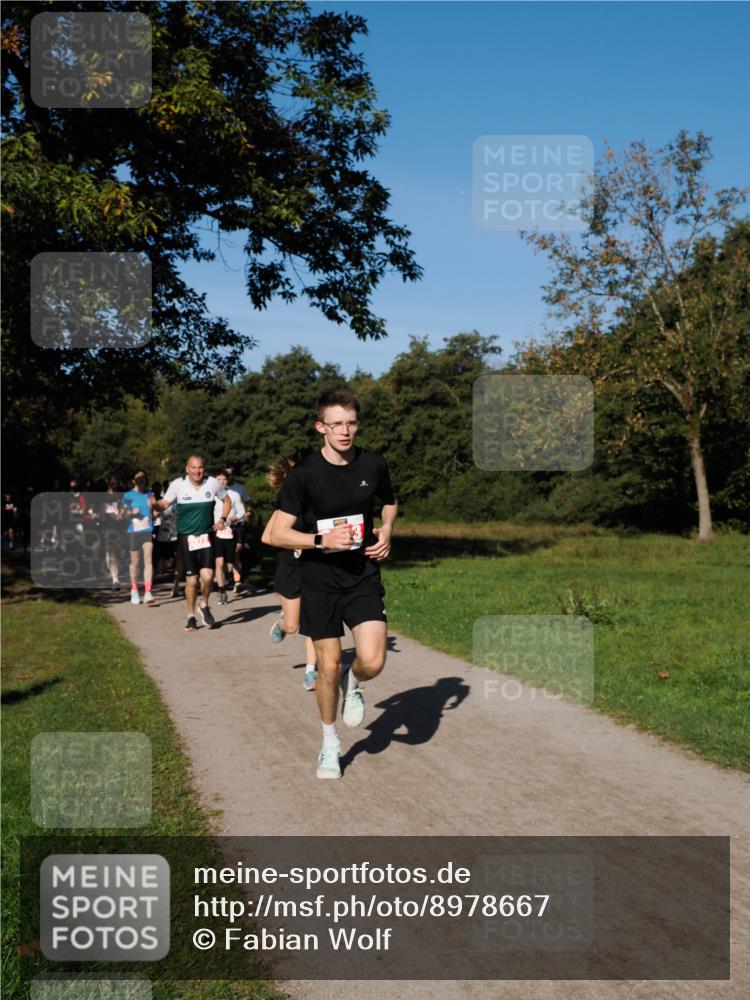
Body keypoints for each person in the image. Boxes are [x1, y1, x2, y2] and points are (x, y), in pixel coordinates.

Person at [271, 389, 397, 779]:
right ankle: (329, 743)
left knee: (373, 660)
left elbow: (388, 502)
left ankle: (354, 680)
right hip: (319, 581)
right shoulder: (303, 474)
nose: (345, 431)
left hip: (361, 575)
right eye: (336, 424)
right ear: (321, 427)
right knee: (326, 666)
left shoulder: (373, 465)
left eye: (351, 423)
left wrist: (388, 530)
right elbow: (275, 533)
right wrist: (320, 541)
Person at [152, 455, 230, 631]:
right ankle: (191, 616)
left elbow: (227, 500)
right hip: (187, 538)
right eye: (193, 468)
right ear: (187, 469)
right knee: (192, 581)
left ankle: (204, 604)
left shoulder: (212, 483)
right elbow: (163, 504)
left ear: (204, 468)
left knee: (208, 577)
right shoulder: (178, 484)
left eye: (200, 467)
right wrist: (154, 505)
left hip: (206, 536)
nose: (197, 471)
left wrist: (223, 519)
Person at [261, 458, 319, 692]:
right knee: (294, 626)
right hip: (290, 566)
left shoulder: (318, 501)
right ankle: (283, 624)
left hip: (315, 565)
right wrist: (294, 543)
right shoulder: (284, 507)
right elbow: (267, 537)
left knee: (314, 621)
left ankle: (310, 671)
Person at [120, 470, 155, 605]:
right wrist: (130, 512)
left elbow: (155, 509)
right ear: (133, 480)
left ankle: (147, 592)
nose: (141, 480)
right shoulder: (128, 495)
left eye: (143, 477)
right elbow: (121, 515)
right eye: (138, 478)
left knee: (148, 559)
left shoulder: (149, 494)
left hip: (147, 529)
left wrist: (155, 509)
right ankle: (134, 590)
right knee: (135, 561)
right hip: (134, 531)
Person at [213, 470, 245, 605]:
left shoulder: (234, 495)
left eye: (224, 479)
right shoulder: (211, 496)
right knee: (219, 562)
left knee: (229, 566)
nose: (221, 481)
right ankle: (222, 591)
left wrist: (235, 517)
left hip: (230, 532)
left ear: (227, 481)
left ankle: (227, 577)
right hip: (215, 532)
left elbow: (242, 511)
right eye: (218, 479)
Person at [223, 464, 251, 590]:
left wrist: (248, 514)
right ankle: (225, 577)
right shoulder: (217, 489)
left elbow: (248, 504)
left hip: (237, 524)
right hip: (222, 526)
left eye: (230, 474)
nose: (228, 476)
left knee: (236, 551)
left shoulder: (239, 488)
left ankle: (237, 581)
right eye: (226, 474)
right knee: (224, 554)